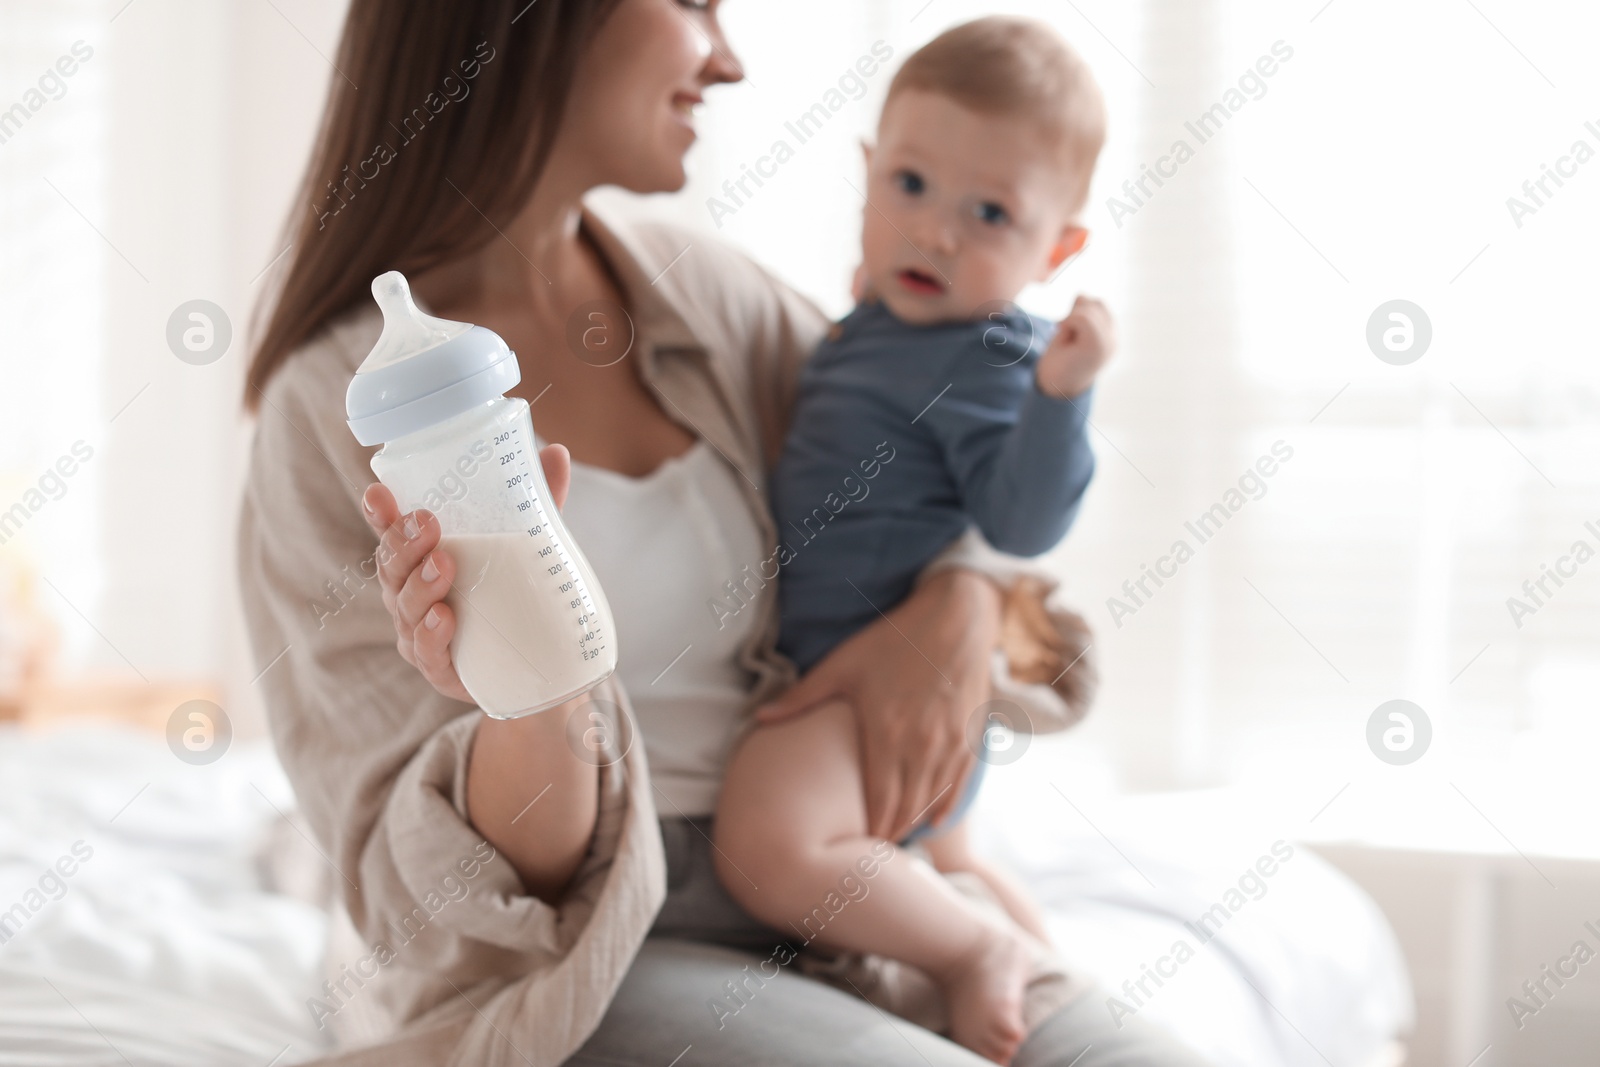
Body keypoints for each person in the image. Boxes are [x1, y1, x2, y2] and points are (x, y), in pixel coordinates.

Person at [236, 1, 1213, 1064]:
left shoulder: (704, 297)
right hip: (592, 954)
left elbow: (948, 434)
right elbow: (429, 900)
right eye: (694, 4)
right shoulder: (330, 413)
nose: (731, 60)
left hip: (851, 904)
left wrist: (955, 597)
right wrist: (536, 699)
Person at [713, 19, 1112, 1064]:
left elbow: (1019, 522)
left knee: (768, 838)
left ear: (1056, 249)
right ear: (866, 175)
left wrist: (1060, 396)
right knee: (947, 849)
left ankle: (977, 953)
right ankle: (1029, 950)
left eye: (989, 213)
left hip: (871, 684)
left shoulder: (993, 356)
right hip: (871, 671)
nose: (935, 233)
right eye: (909, 186)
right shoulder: (889, 321)